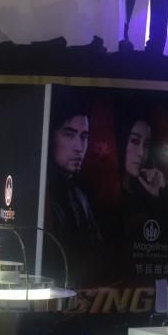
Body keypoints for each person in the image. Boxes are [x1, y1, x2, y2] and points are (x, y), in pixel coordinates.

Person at [45, 97, 102, 286]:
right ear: (51, 136)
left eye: (84, 137)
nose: (79, 148)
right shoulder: (43, 194)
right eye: (69, 134)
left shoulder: (80, 195)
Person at [116, 113, 168, 277]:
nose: (140, 153)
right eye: (134, 141)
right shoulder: (105, 196)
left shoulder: (150, 189)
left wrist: (160, 195)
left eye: (146, 145)